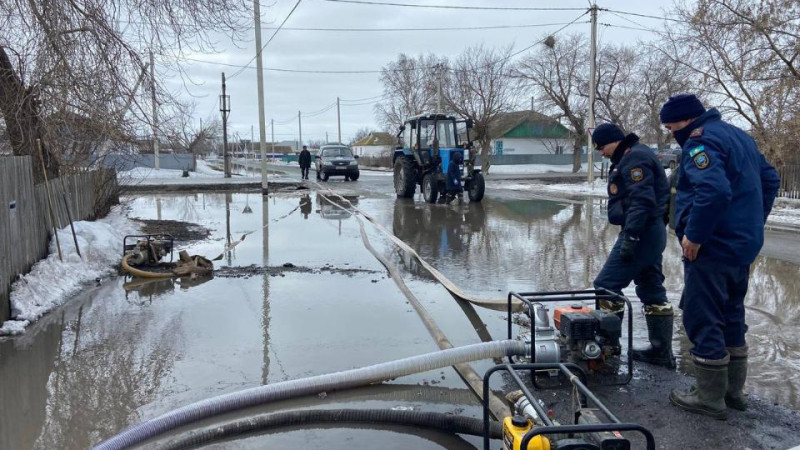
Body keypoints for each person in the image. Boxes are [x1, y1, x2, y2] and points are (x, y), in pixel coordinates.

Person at [660, 94, 780, 419]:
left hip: (712, 245)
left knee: (703, 315)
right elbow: (770, 179)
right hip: (742, 244)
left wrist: (695, 235)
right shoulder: (739, 135)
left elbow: (713, 190)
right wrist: (752, 220)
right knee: (731, 313)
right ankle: (732, 393)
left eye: (672, 128)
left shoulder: (701, 143)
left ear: (687, 121)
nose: (673, 134)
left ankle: (709, 397)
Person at [591, 123, 675, 367]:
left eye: (602, 146)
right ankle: (661, 352)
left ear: (615, 140)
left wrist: (631, 237)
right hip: (650, 231)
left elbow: (642, 201)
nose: (601, 152)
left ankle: (607, 348)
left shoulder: (634, 158)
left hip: (641, 232)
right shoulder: (635, 155)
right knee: (651, 286)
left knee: (606, 285)